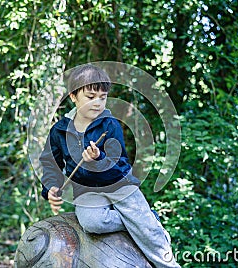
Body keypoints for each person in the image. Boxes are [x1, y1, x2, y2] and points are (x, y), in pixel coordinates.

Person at [39, 64, 180, 267]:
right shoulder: (60, 130)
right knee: (92, 223)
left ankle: (167, 261)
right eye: (90, 96)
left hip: (118, 182)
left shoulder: (110, 124)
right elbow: (50, 163)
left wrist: (99, 158)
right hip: (85, 188)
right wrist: (50, 187)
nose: (97, 102)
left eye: (102, 97)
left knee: (150, 233)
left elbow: (118, 162)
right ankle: (143, 220)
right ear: (73, 96)